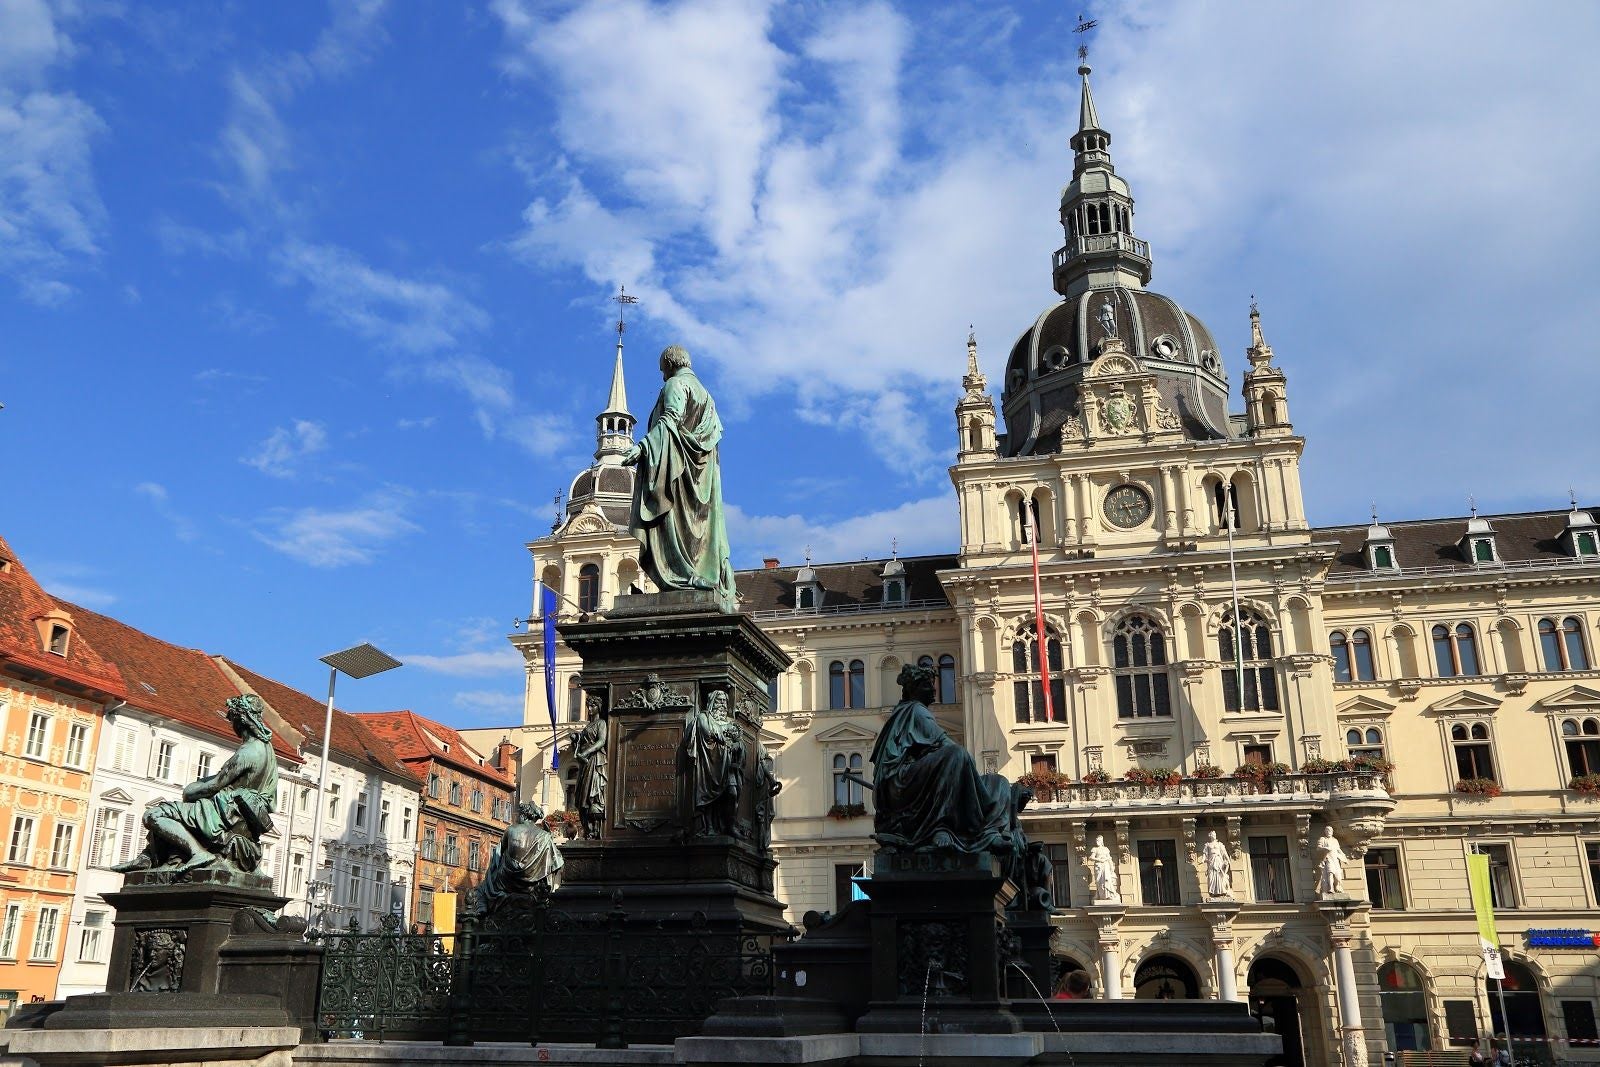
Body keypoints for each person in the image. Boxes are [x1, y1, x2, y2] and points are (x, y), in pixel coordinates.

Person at [113, 694, 277, 875]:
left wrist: (190, 790)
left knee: (154, 815)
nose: (232, 725)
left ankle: (198, 853)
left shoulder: (248, 752)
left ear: (240, 719)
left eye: (232, 719)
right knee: (178, 812)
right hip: (235, 813)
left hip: (224, 813)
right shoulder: (267, 749)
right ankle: (148, 859)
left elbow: (214, 785)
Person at [622, 345, 735, 601]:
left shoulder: (674, 385)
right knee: (697, 534)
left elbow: (669, 420)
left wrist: (642, 448)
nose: (662, 376)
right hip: (701, 479)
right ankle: (696, 573)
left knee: (675, 528)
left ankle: (682, 575)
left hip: (678, 473)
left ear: (669, 364)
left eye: (662, 370)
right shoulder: (707, 396)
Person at [870, 663, 1012, 855]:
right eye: (927, 685)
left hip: (913, 781)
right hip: (900, 782)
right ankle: (941, 827)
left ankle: (990, 832)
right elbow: (947, 746)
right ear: (913, 689)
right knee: (956, 754)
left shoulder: (913, 711)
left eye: (933, 684)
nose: (934, 689)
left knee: (1000, 782)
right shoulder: (915, 710)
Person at [475, 801, 564, 911]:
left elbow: (498, 855)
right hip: (533, 884)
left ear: (523, 815)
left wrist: (490, 875)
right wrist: (548, 836)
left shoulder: (511, 830)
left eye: (518, 815)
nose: (517, 819)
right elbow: (557, 861)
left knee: (482, 888)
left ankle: (481, 909)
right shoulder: (544, 836)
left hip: (506, 881)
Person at [684, 690, 744, 837]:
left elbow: (740, 743)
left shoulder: (731, 722)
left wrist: (738, 746)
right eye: (719, 701)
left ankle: (730, 826)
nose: (723, 704)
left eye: (724, 701)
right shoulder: (704, 717)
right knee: (708, 797)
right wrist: (726, 731)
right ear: (712, 703)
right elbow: (708, 732)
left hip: (728, 765)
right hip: (710, 765)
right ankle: (709, 827)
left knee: (732, 793)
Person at [572, 699, 608, 839]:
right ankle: (588, 828)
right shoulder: (588, 726)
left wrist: (586, 752)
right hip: (584, 763)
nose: (590, 708)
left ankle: (595, 828)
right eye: (588, 706)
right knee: (582, 796)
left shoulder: (601, 723)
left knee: (591, 794)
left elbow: (601, 741)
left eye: (593, 706)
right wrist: (576, 739)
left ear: (599, 707)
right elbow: (581, 744)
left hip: (594, 760)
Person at [1088, 835, 1120, 903]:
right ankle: (1100, 895)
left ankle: (1109, 895)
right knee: (1099, 881)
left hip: (1106, 865)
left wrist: (1112, 867)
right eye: (1096, 841)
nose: (1097, 842)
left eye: (1098, 840)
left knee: (1107, 879)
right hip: (1098, 866)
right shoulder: (1095, 849)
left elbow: (1109, 858)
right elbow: (1091, 857)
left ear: (1101, 841)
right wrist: (1099, 859)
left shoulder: (1106, 849)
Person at [1202, 829, 1233, 898]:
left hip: (1219, 861)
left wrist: (1228, 860)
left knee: (1220, 876)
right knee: (1212, 877)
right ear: (1210, 836)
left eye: (1215, 835)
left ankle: (1222, 891)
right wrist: (1203, 859)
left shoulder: (1219, 844)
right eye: (1213, 835)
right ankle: (1213, 892)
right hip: (1211, 863)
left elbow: (1224, 853)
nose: (1214, 836)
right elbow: (1205, 854)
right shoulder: (1207, 845)